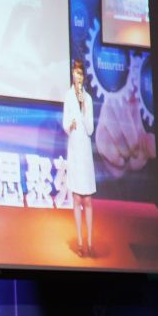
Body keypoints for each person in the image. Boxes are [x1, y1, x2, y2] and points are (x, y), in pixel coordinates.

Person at [63, 60, 96, 257]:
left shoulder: (88, 99)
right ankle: (81, 243)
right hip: (74, 150)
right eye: (76, 73)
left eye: (81, 74)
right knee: (76, 198)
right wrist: (71, 125)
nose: (78, 77)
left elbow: (90, 129)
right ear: (72, 75)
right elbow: (64, 124)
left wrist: (83, 109)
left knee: (88, 199)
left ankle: (90, 242)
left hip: (85, 150)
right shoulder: (68, 97)